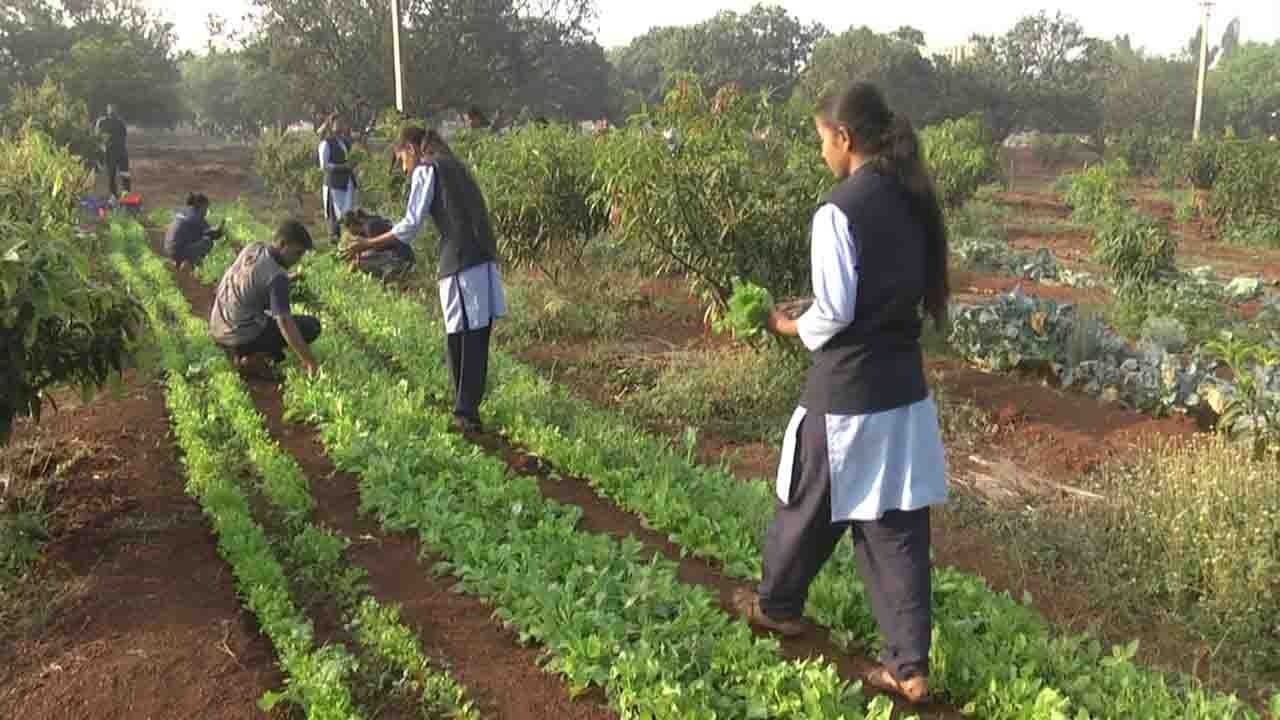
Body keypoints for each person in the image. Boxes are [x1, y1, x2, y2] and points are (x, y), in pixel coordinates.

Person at [730, 82, 950, 705]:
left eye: (822, 139)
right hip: (902, 389)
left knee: (808, 497)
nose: (822, 151)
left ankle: (776, 604)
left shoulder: (839, 208)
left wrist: (786, 322)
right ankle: (909, 667)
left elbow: (836, 310)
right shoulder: (913, 197)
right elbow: (875, 296)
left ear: (845, 138)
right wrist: (821, 309)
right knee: (897, 527)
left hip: (848, 388)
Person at [340, 126, 505, 433]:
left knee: (461, 334)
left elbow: (410, 226)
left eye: (401, 158)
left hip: (460, 262)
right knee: (478, 333)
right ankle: (469, 409)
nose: (403, 168)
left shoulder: (427, 170)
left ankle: (464, 413)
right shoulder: (456, 164)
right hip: (482, 256)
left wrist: (368, 244)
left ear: (412, 150)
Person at [209, 220, 321, 376]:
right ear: (283, 244)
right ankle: (254, 358)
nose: (298, 260)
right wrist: (309, 361)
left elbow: (256, 280)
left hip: (218, 327)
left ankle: (243, 353)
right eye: (297, 253)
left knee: (268, 319)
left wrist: (289, 278)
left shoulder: (254, 248)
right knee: (311, 326)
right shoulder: (277, 277)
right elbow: (284, 322)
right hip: (240, 336)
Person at [341, 209, 415, 279]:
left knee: (359, 263)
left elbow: (377, 248)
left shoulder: (370, 226)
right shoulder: (365, 229)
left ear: (351, 225)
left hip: (401, 258)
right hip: (395, 256)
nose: (349, 233)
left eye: (347, 230)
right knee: (359, 261)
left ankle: (395, 276)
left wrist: (359, 256)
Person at [320, 114, 359, 242]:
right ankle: (334, 243)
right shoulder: (326, 143)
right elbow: (324, 166)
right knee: (334, 216)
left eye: (342, 122)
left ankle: (348, 242)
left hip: (347, 183)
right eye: (338, 123)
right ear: (331, 125)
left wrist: (354, 164)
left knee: (348, 215)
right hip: (334, 184)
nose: (341, 125)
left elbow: (351, 158)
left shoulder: (345, 142)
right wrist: (343, 167)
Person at [162, 193, 224, 271]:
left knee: (193, 238)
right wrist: (220, 230)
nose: (206, 212)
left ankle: (175, 263)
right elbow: (212, 234)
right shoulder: (197, 215)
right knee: (207, 242)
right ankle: (189, 264)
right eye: (206, 208)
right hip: (180, 251)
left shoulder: (182, 211)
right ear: (201, 206)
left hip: (168, 250)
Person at [94, 104, 130, 197]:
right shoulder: (103, 122)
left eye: (113, 108)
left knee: (121, 173)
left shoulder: (118, 122)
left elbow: (123, 136)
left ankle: (123, 193)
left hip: (118, 151)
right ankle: (116, 194)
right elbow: (97, 136)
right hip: (113, 151)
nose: (112, 110)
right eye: (110, 108)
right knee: (114, 173)